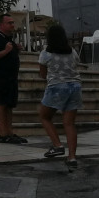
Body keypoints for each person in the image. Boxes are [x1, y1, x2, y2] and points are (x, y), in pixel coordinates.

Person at [37, 24, 82, 171]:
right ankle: (72, 157)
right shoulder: (72, 51)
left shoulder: (46, 53)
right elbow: (77, 64)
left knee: (44, 116)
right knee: (69, 123)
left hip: (57, 87)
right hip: (75, 87)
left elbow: (43, 74)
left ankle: (57, 145)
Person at [0, 13, 28, 144]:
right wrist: (6, 51)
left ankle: (9, 132)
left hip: (11, 77)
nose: (12, 25)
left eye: (12, 23)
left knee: (9, 105)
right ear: (1, 25)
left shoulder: (8, 39)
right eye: (9, 23)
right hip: (1, 77)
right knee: (2, 104)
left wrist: (16, 50)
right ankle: (3, 133)